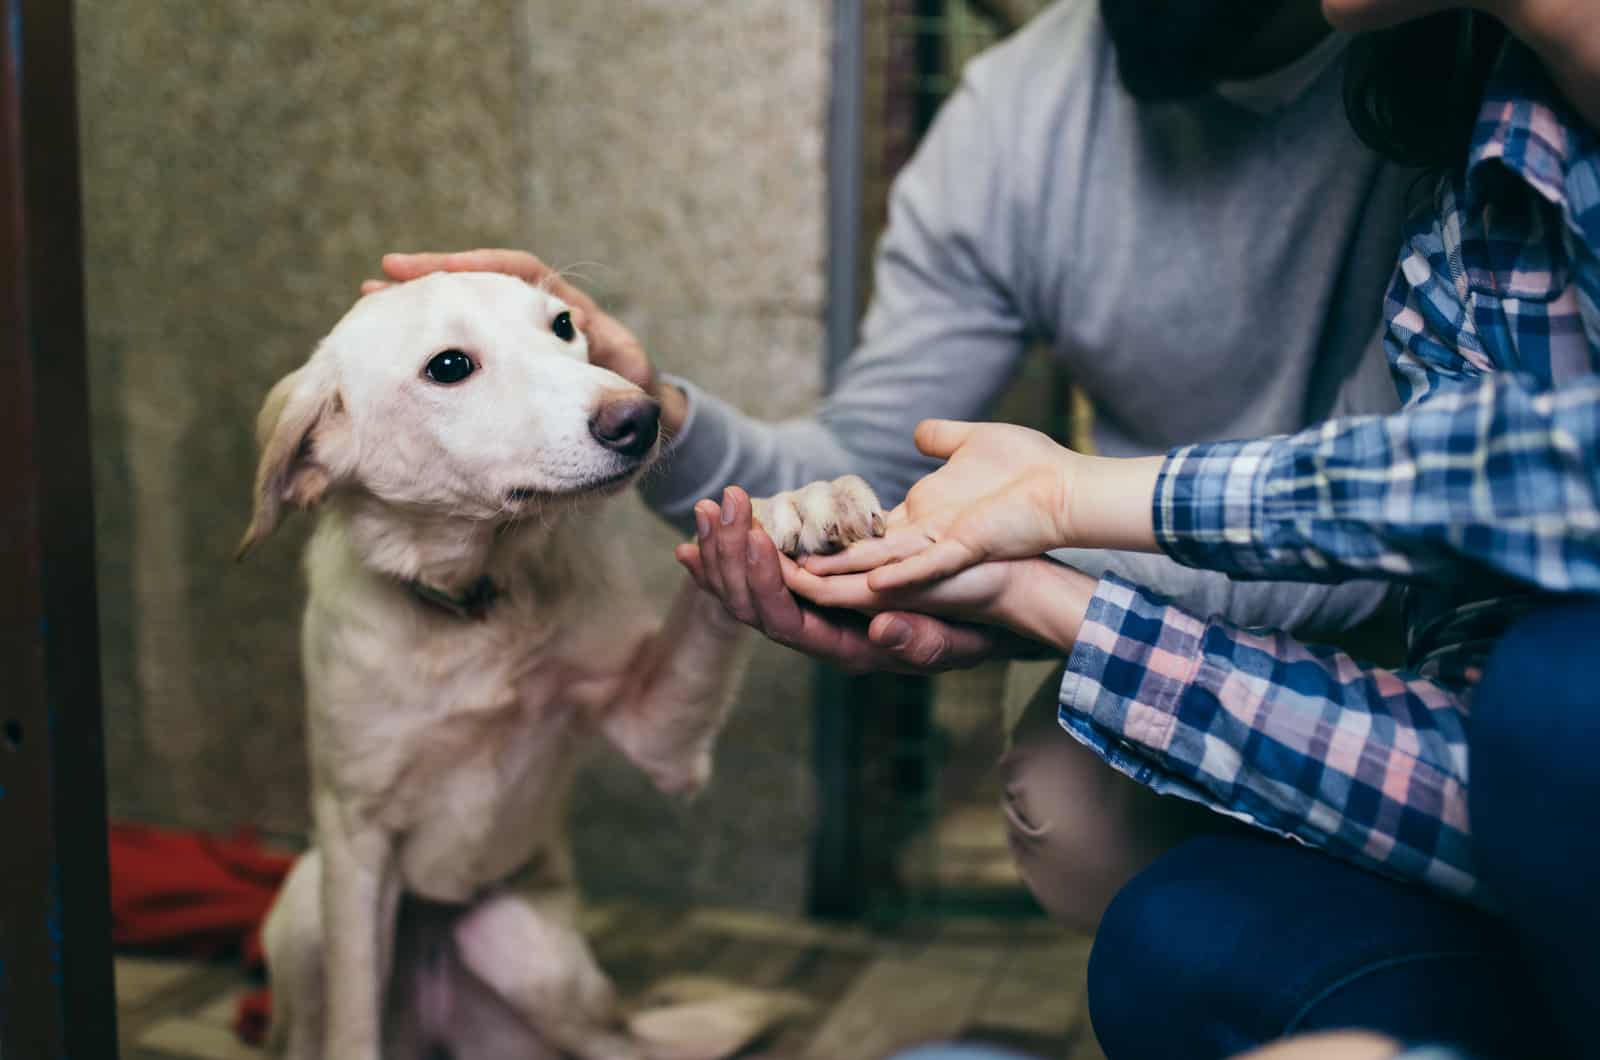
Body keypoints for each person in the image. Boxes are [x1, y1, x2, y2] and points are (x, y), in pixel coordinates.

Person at [373, 0, 1423, 929]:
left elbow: (1413, 509)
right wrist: (660, 413)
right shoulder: (1019, 112)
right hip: (1184, 586)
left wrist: (1027, 588)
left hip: (1443, 588)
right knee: (1073, 820)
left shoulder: (1450, 72)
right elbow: (862, 459)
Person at [783, 0, 1599, 1053]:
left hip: (1405, 633)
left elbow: (1528, 477)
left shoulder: (1394, 128)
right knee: (1169, 935)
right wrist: (1038, 594)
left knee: (1559, 698)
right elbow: (1488, 774)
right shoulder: (1471, 181)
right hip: (1495, 737)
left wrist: (1076, 506)